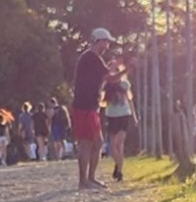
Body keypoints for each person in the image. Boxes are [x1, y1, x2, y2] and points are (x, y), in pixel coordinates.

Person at [72, 28, 114, 189]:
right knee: (87, 143)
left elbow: (103, 76)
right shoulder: (91, 57)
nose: (108, 45)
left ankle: (90, 178)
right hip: (84, 105)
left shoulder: (92, 59)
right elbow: (110, 78)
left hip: (90, 105)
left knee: (97, 142)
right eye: (106, 42)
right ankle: (84, 180)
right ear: (100, 41)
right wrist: (127, 69)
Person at [102, 56, 136, 182]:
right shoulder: (106, 85)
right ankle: (118, 164)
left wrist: (134, 116)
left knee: (119, 144)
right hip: (111, 115)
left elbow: (130, 100)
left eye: (117, 69)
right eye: (112, 69)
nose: (115, 71)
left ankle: (120, 171)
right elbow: (101, 99)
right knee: (112, 146)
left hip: (123, 115)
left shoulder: (125, 84)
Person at [47, 95, 71, 160]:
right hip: (62, 126)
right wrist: (69, 124)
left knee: (57, 141)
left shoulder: (52, 110)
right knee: (61, 140)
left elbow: (50, 119)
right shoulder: (63, 108)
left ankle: (59, 155)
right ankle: (62, 153)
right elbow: (67, 116)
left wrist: (49, 127)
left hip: (55, 126)